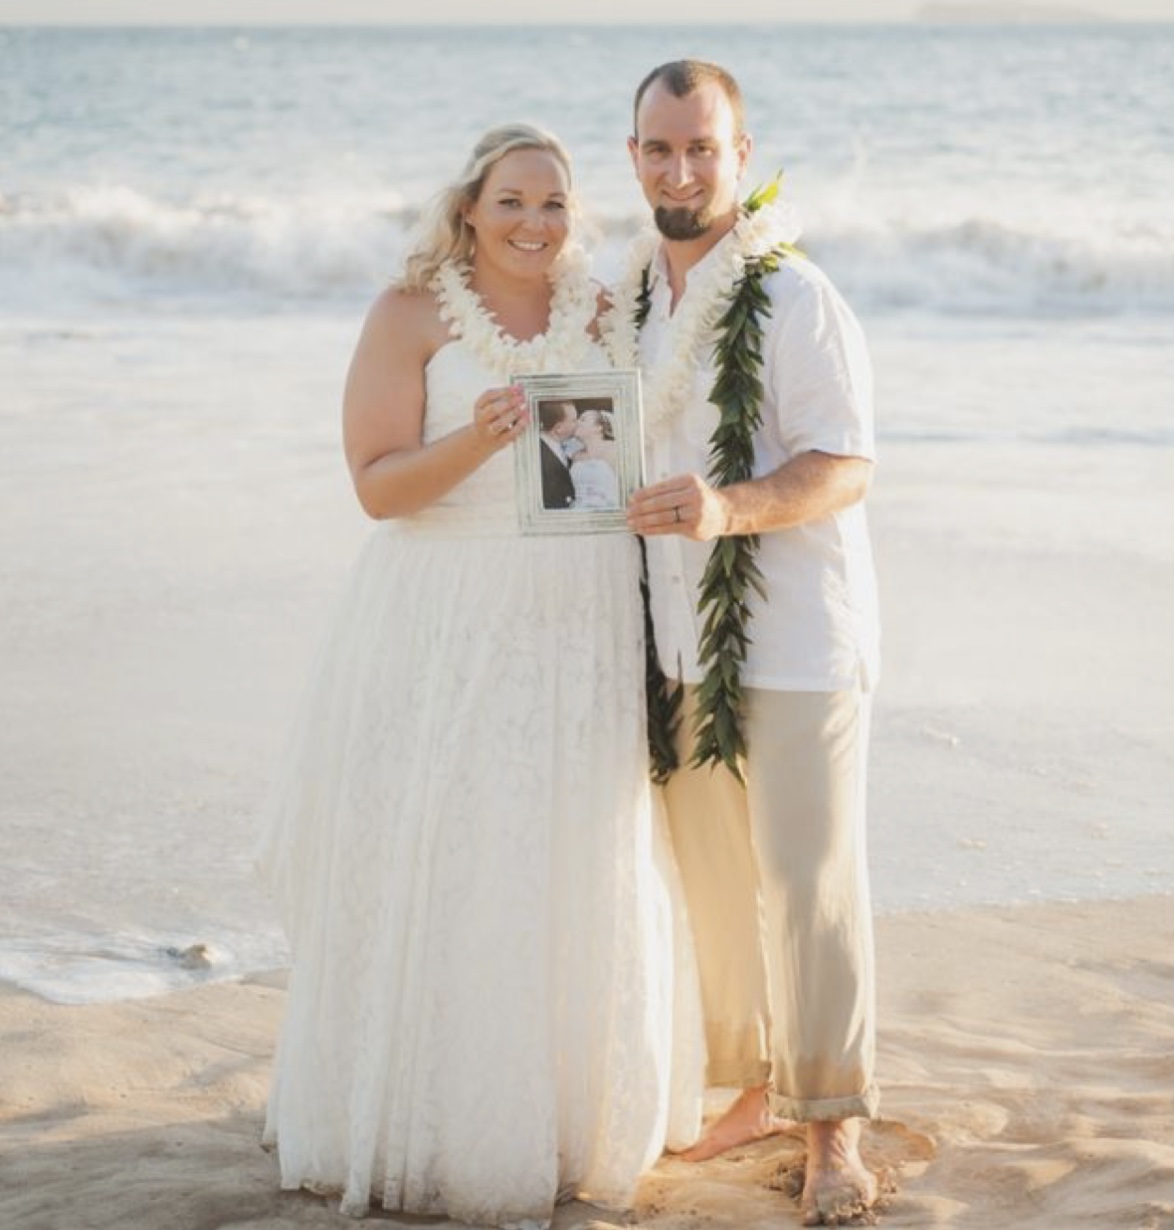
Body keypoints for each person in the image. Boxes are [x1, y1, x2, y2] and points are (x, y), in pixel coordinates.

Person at [256, 123, 701, 1227]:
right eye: (511, 203)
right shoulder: (406, 314)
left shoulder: (600, 307)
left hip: (574, 613)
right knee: (447, 849)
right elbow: (375, 488)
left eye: (552, 205)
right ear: (468, 208)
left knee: (560, 850)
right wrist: (483, 436)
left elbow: (636, 437)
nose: (534, 225)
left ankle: (560, 1118)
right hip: (441, 614)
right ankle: (434, 1117)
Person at [618, 61, 882, 1226]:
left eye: (703, 148)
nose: (681, 170)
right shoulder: (627, 302)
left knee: (808, 889)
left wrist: (728, 507)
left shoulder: (792, 296)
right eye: (659, 149)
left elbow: (845, 463)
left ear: (742, 152)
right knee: (719, 888)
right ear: (631, 156)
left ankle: (836, 1133)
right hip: (678, 640)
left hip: (795, 644)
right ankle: (752, 1092)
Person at [570, 407, 620, 510]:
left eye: (583, 420)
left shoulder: (614, 449)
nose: (577, 422)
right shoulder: (576, 456)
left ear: (598, 427)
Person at [538, 398, 578, 508]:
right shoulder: (538, 454)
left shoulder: (565, 446)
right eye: (574, 420)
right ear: (559, 428)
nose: (578, 423)